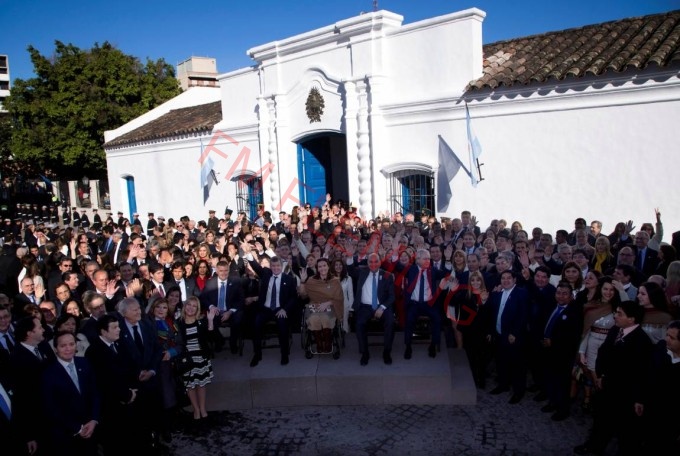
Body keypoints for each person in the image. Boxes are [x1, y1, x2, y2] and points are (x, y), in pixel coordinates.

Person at [574, 300, 653, 456]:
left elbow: (640, 373)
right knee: (601, 420)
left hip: (625, 395)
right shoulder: (615, 330)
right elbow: (603, 353)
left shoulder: (642, 341)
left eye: (619, 314)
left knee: (625, 431)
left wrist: (638, 399)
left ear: (631, 319)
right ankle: (594, 446)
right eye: (616, 312)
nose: (615, 316)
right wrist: (600, 375)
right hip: (606, 387)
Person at [85, 314, 145, 455]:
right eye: (114, 327)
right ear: (103, 331)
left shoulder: (119, 344)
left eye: (118, 326)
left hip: (130, 399)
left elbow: (132, 366)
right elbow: (104, 381)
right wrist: (126, 394)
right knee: (116, 443)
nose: (119, 330)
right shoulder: (94, 352)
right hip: (111, 407)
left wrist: (133, 390)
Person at [41, 331, 100, 456]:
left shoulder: (85, 363)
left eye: (71, 344)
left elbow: (94, 393)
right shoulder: (48, 373)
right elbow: (51, 407)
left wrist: (94, 419)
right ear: (55, 348)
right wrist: (77, 428)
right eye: (63, 346)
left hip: (91, 429)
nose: (68, 349)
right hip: (65, 436)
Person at [242, 244, 298, 367]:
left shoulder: (288, 279)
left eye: (278, 266)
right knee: (256, 324)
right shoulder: (266, 274)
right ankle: (257, 354)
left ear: (282, 266)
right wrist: (248, 254)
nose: (276, 268)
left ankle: (284, 354)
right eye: (273, 266)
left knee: (282, 325)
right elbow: (255, 266)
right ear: (270, 266)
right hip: (265, 309)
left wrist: (285, 309)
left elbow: (293, 298)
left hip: (280, 309)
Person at [537, 282, 583, 421]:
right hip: (548, 351)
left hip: (563, 354)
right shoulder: (553, 306)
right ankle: (553, 402)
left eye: (564, 294)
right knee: (550, 379)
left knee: (562, 383)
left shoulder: (574, 312)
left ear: (571, 296)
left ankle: (563, 410)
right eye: (558, 293)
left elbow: (573, 336)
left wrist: (554, 342)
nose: (561, 296)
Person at [439, 270, 490, 386]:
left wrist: (483, 302)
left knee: (481, 356)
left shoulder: (487, 293)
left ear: (482, 281)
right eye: (473, 280)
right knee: (470, 356)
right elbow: (452, 302)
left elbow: (489, 315)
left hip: (482, 331)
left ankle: (481, 380)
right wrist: (453, 289)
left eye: (478, 280)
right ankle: (472, 379)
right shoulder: (465, 293)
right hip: (469, 330)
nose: (475, 282)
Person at [487, 270, 529, 404]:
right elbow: (493, 314)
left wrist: (514, 333)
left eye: (508, 278)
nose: (505, 281)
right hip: (499, 335)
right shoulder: (498, 294)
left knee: (517, 366)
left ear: (514, 280)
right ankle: (503, 385)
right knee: (501, 362)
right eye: (503, 278)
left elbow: (523, 315)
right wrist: (492, 331)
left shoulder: (521, 293)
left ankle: (518, 392)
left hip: (513, 336)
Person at [350, 253, 396, 365]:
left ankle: (387, 352)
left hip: (382, 306)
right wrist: (349, 257)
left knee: (390, 322)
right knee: (359, 323)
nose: (373, 264)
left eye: (376, 261)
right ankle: (364, 353)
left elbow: (392, 296)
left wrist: (382, 307)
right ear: (367, 262)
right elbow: (350, 270)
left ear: (380, 262)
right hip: (365, 307)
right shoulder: (361, 272)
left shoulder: (387, 275)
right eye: (371, 262)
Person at [176, 296, 217, 421]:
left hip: (200, 358)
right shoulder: (178, 322)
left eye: (194, 306)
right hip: (186, 360)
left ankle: (202, 408)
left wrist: (210, 321)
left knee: (201, 385)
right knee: (190, 386)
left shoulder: (202, 321)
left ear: (197, 309)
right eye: (189, 304)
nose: (191, 308)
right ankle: (196, 409)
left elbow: (211, 339)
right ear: (185, 306)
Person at [148, 298, 183, 442]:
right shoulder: (148, 324)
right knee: (163, 398)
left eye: (164, 307)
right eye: (158, 307)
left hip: (173, 364)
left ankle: (170, 424)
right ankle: (163, 429)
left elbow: (180, 343)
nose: (161, 310)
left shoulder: (172, 322)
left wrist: (172, 352)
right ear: (153, 309)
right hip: (159, 366)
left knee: (172, 395)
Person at [403, 248, 446, 359]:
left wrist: (449, 260)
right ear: (417, 260)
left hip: (429, 304)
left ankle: (433, 345)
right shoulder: (410, 269)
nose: (428, 261)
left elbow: (445, 274)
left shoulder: (432, 270)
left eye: (428, 258)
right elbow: (396, 266)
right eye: (425, 258)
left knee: (437, 319)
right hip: (414, 304)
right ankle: (408, 346)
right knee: (409, 319)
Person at [645, 320, 680, 454]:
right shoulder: (660, 347)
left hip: (672, 418)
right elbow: (647, 373)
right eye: (667, 335)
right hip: (651, 409)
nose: (666, 339)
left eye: (672, 338)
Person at [199, 260, 245, 354]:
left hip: (230, 311)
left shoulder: (236, 282)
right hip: (216, 311)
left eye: (226, 270)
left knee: (238, 319)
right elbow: (203, 298)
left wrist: (230, 311)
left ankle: (233, 342)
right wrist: (211, 306)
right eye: (221, 271)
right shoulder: (210, 283)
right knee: (205, 322)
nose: (223, 273)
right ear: (216, 271)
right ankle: (219, 341)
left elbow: (241, 299)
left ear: (229, 270)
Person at [299, 258, 343, 354]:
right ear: (317, 268)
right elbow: (303, 295)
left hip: (331, 306)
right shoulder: (311, 280)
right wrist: (302, 281)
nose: (322, 268)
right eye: (320, 266)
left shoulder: (335, 281)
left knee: (325, 318)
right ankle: (319, 343)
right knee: (314, 319)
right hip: (314, 306)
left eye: (324, 266)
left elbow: (339, 298)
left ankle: (327, 342)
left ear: (328, 267)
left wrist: (328, 303)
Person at [333, 259, 354, 333]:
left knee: (344, 324)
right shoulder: (330, 278)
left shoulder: (348, 278)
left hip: (344, 304)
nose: (338, 266)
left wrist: (351, 308)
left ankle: (345, 337)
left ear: (343, 266)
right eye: (336, 265)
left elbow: (350, 294)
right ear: (333, 267)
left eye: (340, 265)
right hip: (333, 304)